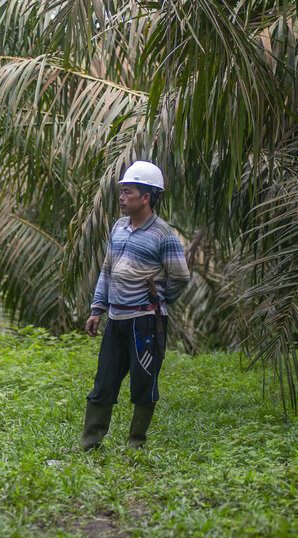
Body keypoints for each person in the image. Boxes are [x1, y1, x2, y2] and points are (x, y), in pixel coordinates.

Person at [80, 160, 190, 451]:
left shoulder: (164, 235)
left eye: (128, 192)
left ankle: (135, 444)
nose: (122, 197)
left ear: (147, 197)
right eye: (122, 192)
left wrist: (159, 301)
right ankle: (90, 443)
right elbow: (107, 270)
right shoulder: (118, 228)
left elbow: (180, 276)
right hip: (115, 320)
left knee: (144, 384)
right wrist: (96, 309)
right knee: (103, 383)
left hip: (146, 323)